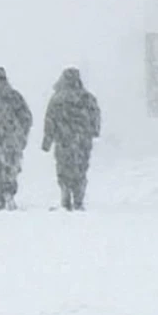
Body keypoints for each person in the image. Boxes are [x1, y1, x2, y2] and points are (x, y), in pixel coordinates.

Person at [41, 68, 100, 211]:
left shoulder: (57, 99)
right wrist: (93, 132)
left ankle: (66, 195)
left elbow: (50, 120)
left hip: (63, 141)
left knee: (64, 168)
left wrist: (47, 140)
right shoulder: (87, 98)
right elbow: (95, 117)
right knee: (80, 168)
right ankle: (78, 199)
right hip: (82, 142)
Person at [0, 67, 32, 211]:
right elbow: (26, 117)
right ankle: (8, 195)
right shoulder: (14, 96)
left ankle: (2, 196)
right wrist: (21, 134)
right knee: (10, 169)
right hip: (10, 139)